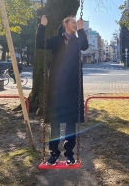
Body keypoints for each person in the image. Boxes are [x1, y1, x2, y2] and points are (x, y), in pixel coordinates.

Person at [36, 15, 89, 166]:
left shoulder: (77, 40)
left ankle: (69, 154)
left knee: (71, 121)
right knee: (55, 121)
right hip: (57, 86)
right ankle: (53, 154)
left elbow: (85, 45)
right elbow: (40, 44)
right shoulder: (56, 40)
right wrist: (42, 26)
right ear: (65, 23)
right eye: (72, 22)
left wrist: (81, 29)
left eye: (75, 22)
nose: (75, 23)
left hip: (72, 86)